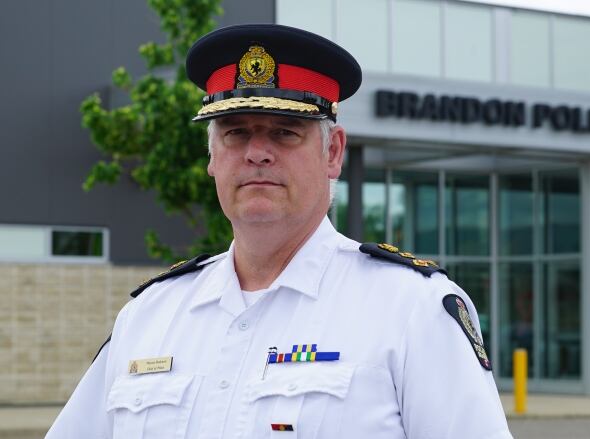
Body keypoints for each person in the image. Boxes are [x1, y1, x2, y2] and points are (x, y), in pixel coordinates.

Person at [47, 23, 511, 438]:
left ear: (333, 153)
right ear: (212, 156)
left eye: (286, 132)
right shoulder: (149, 316)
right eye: (235, 132)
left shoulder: (413, 312)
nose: (257, 153)